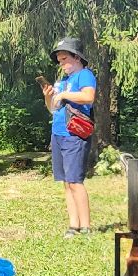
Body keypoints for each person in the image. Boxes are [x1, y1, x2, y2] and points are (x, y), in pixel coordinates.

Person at [39, 37, 96, 236]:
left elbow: (88, 97)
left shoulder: (84, 75)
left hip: (75, 134)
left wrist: (63, 95)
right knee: (65, 182)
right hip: (58, 133)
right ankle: (74, 225)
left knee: (75, 181)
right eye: (60, 60)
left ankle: (86, 226)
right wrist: (49, 95)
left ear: (77, 57)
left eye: (64, 59)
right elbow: (52, 109)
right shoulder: (62, 82)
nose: (61, 64)